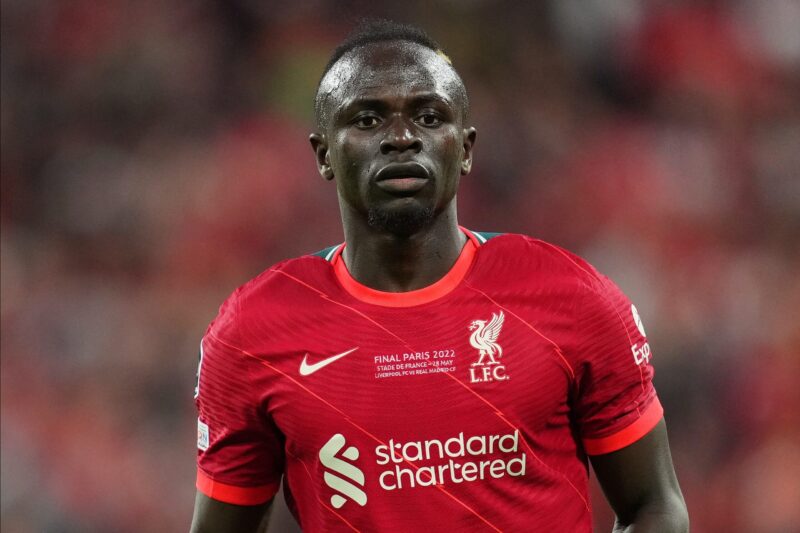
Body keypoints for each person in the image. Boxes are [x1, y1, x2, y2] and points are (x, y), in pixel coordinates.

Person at [190, 20, 688, 533]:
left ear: (466, 149)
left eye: (429, 117)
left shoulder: (572, 297)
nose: (401, 138)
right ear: (324, 155)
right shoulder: (252, 333)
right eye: (367, 120)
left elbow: (654, 506)